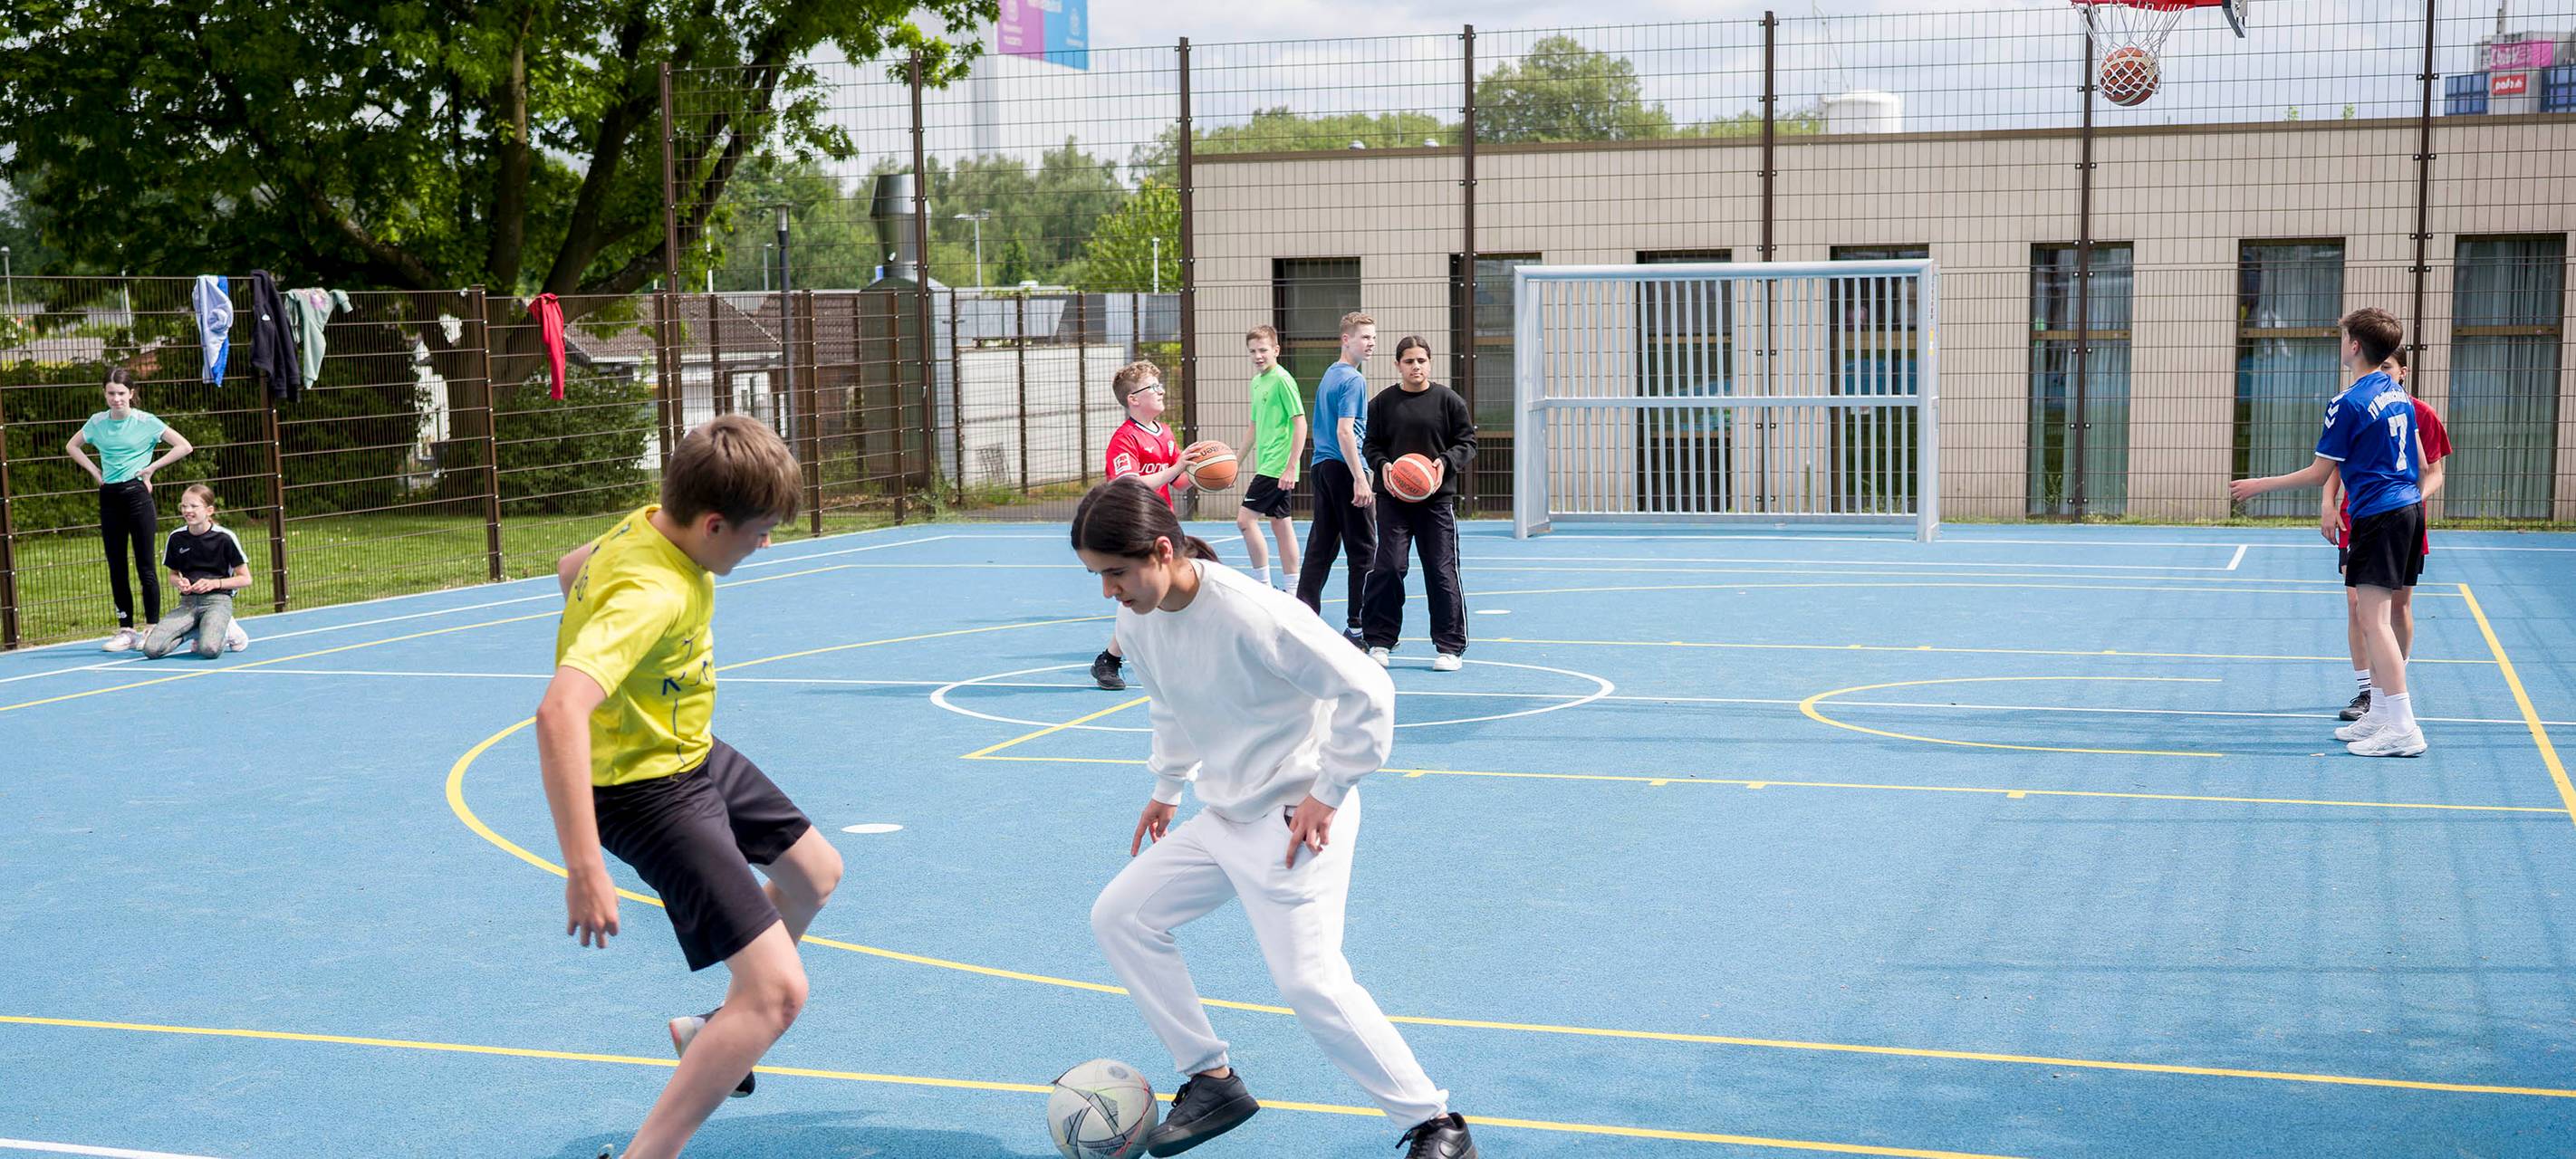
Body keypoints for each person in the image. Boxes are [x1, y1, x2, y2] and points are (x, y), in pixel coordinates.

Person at [1072, 478, 1480, 1159]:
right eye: (1098, 577)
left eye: (1115, 573)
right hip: (1225, 813)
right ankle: (1212, 1080)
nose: (1109, 590)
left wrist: (1331, 787)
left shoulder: (1252, 611)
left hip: (1295, 818)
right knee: (1121, 915)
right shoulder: (1136, 621)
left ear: (1162, 551)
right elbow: (1168, 704)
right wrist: (1169, 787)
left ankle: (1437, 1125)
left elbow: (1368, 688)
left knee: (1310, 981)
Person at [536, 416, 844, 1159]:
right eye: (760, 531)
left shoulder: (646, 526)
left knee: (815, 874)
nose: (764, 544)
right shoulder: (654, 593)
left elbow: (569, 569)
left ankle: (712, 1033)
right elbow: (558, 712)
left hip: (688, 751)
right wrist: (585, 867)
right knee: (777, 993)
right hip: (645, 790)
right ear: (712, 523)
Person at [2230, 307, 2428, 757]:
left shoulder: (2349, 402)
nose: (2341, 344)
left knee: (2374, 621)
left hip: (2380, 513)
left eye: (2343, 337)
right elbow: (2416, 463)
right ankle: (2379, 714)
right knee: (2370, 617)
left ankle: (2403, 726)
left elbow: (2322, 473)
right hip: (2405, 509)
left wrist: (2261, 484)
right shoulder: (2397, 393)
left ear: (2355, 345)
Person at [2322, 348, 2447, 722]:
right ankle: (2369, 692)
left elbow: (2433, 471)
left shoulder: (2418, 412)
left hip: (2396, 518)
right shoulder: (2357, 405)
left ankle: (2394, 691)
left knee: (2398, 607)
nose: (2384, 373)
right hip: (2360, 516)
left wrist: (2406, 498)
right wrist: (2328, 503)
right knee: (2358, 607)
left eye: (2389, 368)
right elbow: (2334, 463)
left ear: (2403, 372)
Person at [1358, 336, 1475, 672]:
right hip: (1394, 499)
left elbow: (1466, 442)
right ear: (1398, 365)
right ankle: (1381, 640)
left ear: (1430, 362)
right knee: (1390, 567)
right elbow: (1371, 445)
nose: (1416, 367)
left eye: (1421, 360)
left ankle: (1449, 647)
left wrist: (1444, 461)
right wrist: (1383, 465)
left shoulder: (1448, 401)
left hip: (1436, 501)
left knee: (1440, 569)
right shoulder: (1382, 404)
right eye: (1409, 361)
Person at [64, 368, 193, 651]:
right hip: (109, 497)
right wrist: (96, 472)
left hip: (137, 495)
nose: (116, 398)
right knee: (116, 564)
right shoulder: (97, 422)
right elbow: (72, 446)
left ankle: (151, 628)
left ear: (131, 394)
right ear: (104, 394)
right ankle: (126, 629)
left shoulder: (146, 421)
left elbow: (184, 446)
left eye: (121, 393)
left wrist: (151, 469)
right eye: (111, 393)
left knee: (145, 564)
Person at [1091, 359, 1194, 691]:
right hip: (1132, 523)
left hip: (1162, 523)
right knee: (1141, 592)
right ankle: (1109, 658)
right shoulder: (1124, 439)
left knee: (1165, 591)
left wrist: (1203, 469)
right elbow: (1129, 485)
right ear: (1133, 399)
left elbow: (1178, 483)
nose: (1161, 391)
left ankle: (1117, 657)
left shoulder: (1164, 433)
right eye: (1154, 387)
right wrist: (1176, 466)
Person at [1293, 311, 1378, 647]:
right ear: (1346, 339)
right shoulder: (1353, 380)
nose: (1370, 343)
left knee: (1321, 547)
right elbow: (1345, 431)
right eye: (1364, 337)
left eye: (1373, 337)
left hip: (1322, 467)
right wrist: (1360, 477)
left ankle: (1301, 618)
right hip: (1344, 467)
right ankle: (1358, 627)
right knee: (1364, 550)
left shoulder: (1331, 374)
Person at [139, 484, 252, 659]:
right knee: (151, 650)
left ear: (209, 510)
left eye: (193, 506)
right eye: (184, 506)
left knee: (209, 650)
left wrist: (215, 583)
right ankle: (195, 631)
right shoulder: (176, 538)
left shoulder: (225, 538)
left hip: (218, 600)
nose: (187, 510)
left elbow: (245, 579)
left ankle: (224, 629)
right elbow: (173, 575)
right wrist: (180, 582)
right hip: (188, 602)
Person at [1235, 326, 1306, 590]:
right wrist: (1236, 462)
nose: (1258, 355)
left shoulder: (1282, 380)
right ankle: (1293, 589)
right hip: (1268, 464)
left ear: (1276, 350)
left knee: (1244, 520)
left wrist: (1291, 467)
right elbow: (1254, 426)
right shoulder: (1257, 382)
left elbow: (1300, 423)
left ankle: (1262, 586)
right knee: (1281, 525)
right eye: (1253, 351)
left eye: (1263, 350)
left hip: (1277, 465)